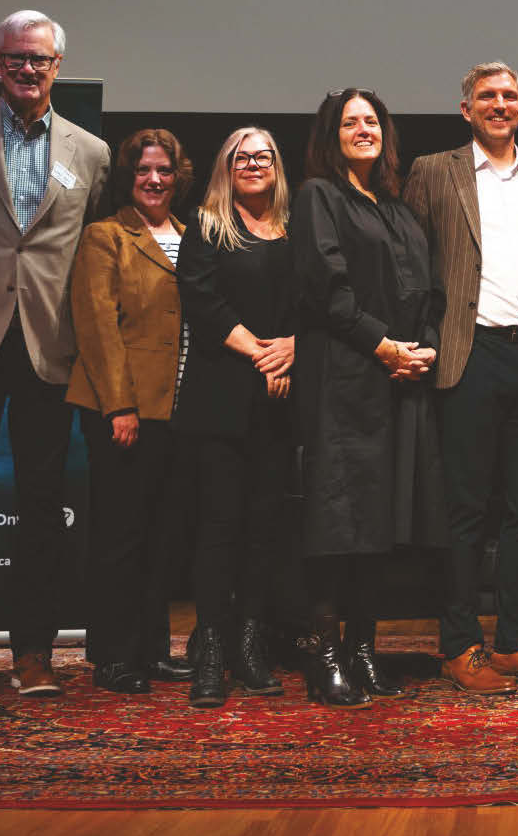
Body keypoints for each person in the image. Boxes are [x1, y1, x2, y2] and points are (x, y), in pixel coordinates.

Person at [0, 11, 111, 699]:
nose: (26, 68)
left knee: (43, 502)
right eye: (14, 56)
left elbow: (92, 254)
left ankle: (35, 652)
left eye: (38, 58)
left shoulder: (91, 152)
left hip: (49, 344)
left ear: (57, 66)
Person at [405, 63, 518, 694]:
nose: (500, 105)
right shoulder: (432, 171)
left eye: (510, 96)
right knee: (464, 509)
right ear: (465, 109)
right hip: (466, 355)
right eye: (487, 97)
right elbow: (410, 265)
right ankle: (460, 644)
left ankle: (513, 642)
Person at [291, 88, 445, 707]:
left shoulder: (397, 207)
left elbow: (428, 289)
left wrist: (423, 348)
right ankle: (324, 656)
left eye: (372, 121)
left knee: (381, 526)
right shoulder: (318, 197)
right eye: (350, 122)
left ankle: (362, 651)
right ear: (331, 135)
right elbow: (326, 289)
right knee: (339, 525)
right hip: (344, 382)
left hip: (399, 383)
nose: (364, 130)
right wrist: (384, 347)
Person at [173, 127, 308, 708]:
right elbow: (202, 301)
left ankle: (251, 648)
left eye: (263, 156)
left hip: (280, 401)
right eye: (241, 157)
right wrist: (262, 354)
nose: (253, 164)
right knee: (219, 529)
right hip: (219, 400)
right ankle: (211, 652)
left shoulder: (298, 229)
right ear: (225, 168)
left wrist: (293, 349)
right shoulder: (206, 225)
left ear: (278, 165)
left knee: (264, 530)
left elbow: (313, 303)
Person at [66, 129, 193, 696]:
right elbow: (97, 325)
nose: (154, 180)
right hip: (123, 409)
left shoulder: (192, 236)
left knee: (162, 536)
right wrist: (120, 405)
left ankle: (152, 649)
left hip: (176, 409)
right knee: (120, 536)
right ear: (128, 176)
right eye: (143, 170)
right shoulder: (105, 236)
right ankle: (114, 656)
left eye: (164, 170)